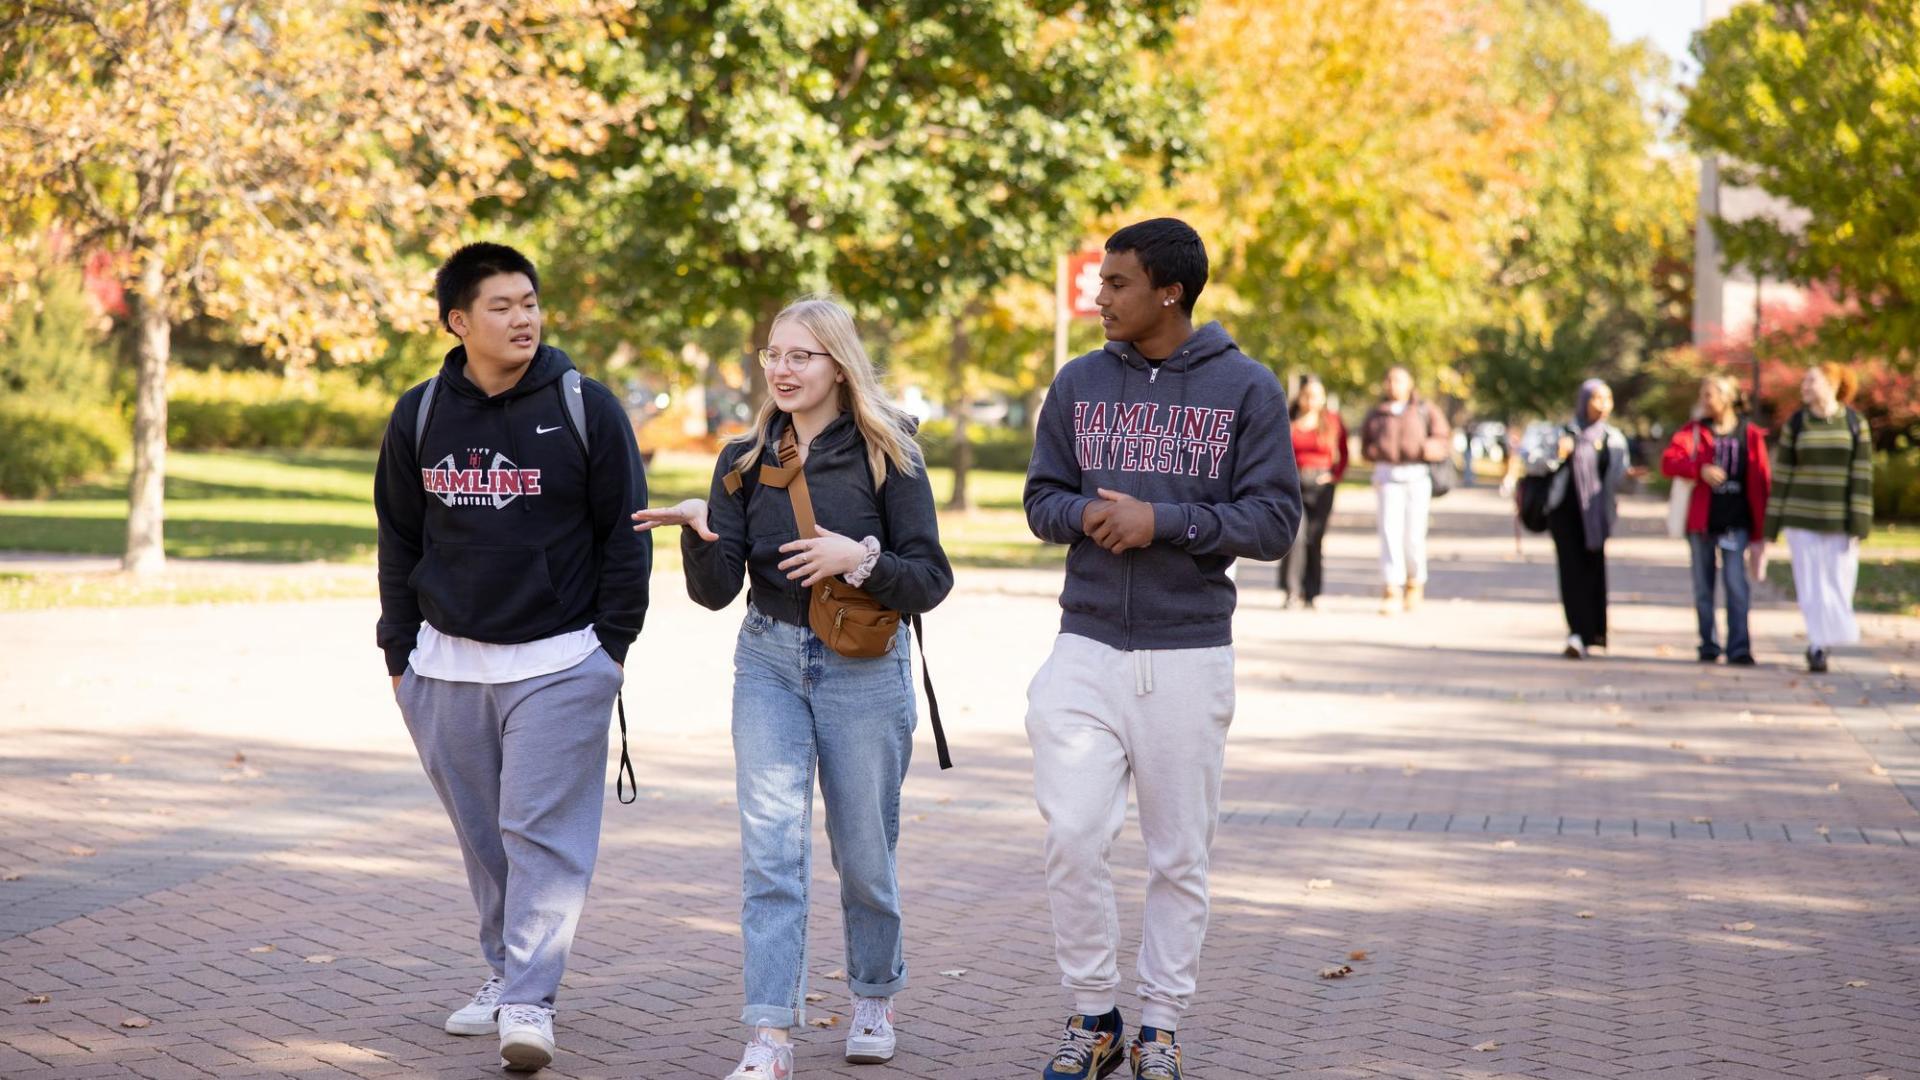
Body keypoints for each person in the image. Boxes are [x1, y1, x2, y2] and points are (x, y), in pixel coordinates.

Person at [631, 296, 952, 1080]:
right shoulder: (744, 456)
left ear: (838, 364)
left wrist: (858, 559)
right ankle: (769, 1036)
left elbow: (931, 579)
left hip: (864, 671)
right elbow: (716, 593)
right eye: (774, 354)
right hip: (768, 661)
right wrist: (699, 533)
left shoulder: (890, 453)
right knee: (772, 855)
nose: (781, 368)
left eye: (800, 355)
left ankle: (874, 994)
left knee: (864, 855)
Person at [1022, 217, 1301, 1080]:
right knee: (1072, 833)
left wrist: (1165, 523)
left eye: (1117, 284)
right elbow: (1040, 500)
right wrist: (1087, 516)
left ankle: (1160, 1024)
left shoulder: (1246, 389)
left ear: (1169, 291)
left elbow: (1276, 520)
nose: (1098, 296)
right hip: (1086, 643)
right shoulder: (1077, 384)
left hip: (1188, 652)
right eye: (1100, 282)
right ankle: (1094, 1011)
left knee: (1180, 853)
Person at [374, 243, 650, 1072]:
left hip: (562, 659)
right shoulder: (420, 413)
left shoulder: (584, 406)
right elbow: (398, 535)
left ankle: (529, 1002)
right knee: (485, 838)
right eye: (502, 305)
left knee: (542, 835)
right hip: (445, 664)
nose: (523, 317)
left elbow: (623, 535)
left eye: (530, 301)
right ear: (459, 322)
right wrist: (399, 652)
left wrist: (611, 647)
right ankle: (504, 974)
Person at [1766, 361, 1873, 673]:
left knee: (1839, 581)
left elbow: (1862, 475)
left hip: (1840, 519)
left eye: (1811, 381)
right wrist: (1770, 527)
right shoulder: (1797, 423)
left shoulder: (1854, 423)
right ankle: (1817, 644)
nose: (1804, 387)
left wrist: (1860, 521)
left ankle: (1831, 634)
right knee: (1811, 583)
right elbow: (1783, 475)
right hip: (1801, 517)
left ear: (1831, 383)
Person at [1660, 373, 1771, 665]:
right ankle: (1708, 644)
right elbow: (1668, 461)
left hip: (1736, 521)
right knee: (1703, 586)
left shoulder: (1750, 434)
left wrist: (1761, 530)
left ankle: (1739, 647)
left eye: (1709, 394)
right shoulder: (1694, 431)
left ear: (1727, 397)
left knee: (1736, 583)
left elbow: (1761, 482)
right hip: (1702, 522)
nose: (1704, 400)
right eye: (1703, 394)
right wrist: (1700, 470)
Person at [1528, 379, 1628, 659]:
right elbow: (1534, 462)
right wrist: (1558, 454)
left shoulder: (1613, 438)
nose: (1602, 405)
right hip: (1566, 513)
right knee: (1571, 572)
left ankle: (1594, 632)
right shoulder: (1563, 432)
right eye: (1596, 398)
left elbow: (1618, 478)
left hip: (1597, 515)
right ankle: (1576, 633)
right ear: (1583, 400)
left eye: (1607, 399)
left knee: (1594, 570)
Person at [1359, 366, 1450, 613]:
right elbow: (1365, 443)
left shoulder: (1424, 409)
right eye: (1388, 380)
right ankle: (1391, 587)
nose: (1392, 385)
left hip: (1417, 476)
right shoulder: (1377, 413)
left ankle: (1415, 582)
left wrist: (1427, 448)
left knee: (1413, 534)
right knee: (1389, 532)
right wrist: (1377, 452)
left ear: (1409, 384)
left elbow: (1443, 437)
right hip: (1387, 476)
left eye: (1398, 380)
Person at [1277, 374, 1348, 609]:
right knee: (1295, 538)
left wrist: (1334, 476)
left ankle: (1312, 592)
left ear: (1323, 398)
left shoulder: (1333, 422)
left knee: (1315, 539)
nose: (1311, 400)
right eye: (1307, 395)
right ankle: (1292, 591)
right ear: (1301, 397)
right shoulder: (1288, 420)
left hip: (1322, 485)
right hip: (1294, 483)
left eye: (1316, 396)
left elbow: (1344, 453)